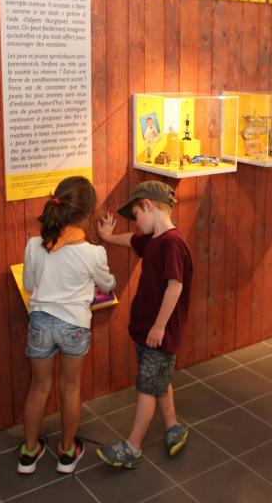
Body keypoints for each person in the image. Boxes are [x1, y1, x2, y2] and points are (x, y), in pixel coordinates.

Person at [18, 176, 116, 475]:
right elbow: (107, 284)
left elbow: (29, 285)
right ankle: (67, 453)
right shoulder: (93, 253)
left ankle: (29, 453)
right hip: (74, 325)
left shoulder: (34, 245)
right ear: (89, 214)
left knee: (39, 387)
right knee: (70, 388)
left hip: (40, 323)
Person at [95, 181, 192, 469]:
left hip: (159, 333)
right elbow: (131, 240)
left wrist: (160, 326)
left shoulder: (172, 243)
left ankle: (132, 447)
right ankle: (173, 425)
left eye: (136, 215)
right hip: (147, 330)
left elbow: (175, 286)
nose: (136, 223)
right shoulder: (153, 240)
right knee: (158, 379)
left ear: (148, 205)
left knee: (147, 387)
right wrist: (108, 237)